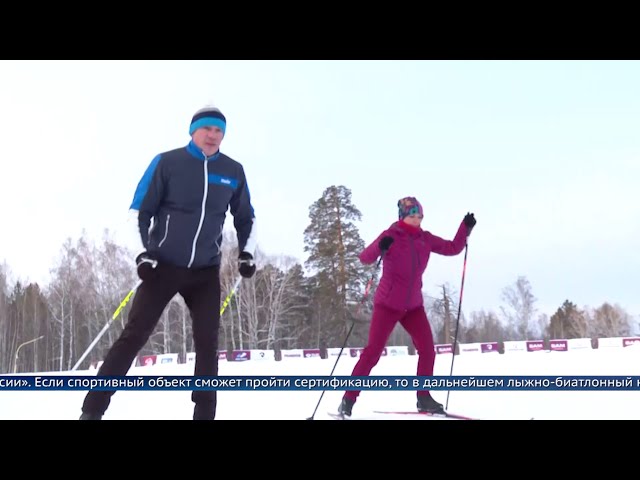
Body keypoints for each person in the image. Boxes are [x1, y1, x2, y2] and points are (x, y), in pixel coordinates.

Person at [79, 105, 257, 420]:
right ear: (193, 131)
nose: (213, 136)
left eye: (219, 131)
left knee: (207, 340)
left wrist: (247, 252)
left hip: (204, 271)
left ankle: (204, 414)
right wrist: (142, 253)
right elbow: (139, 212)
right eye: (208, 129)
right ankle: (93, 409)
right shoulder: (168, 163)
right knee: (135, 333)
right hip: (163, 266)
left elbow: (246, 217)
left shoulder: (233, 171)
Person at [337, 196, 476, 418]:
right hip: (387, 304)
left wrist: (465, 228)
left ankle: (424, 398)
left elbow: (453, 248)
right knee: (372, 353)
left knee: (428, 350)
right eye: (413, 215)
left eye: (420, 215)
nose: (417, 219)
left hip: (413, 306)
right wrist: (380, 248)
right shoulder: (390, 235)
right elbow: (365, 257)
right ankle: (348, 399)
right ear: (402, 216)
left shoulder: (425, 238)